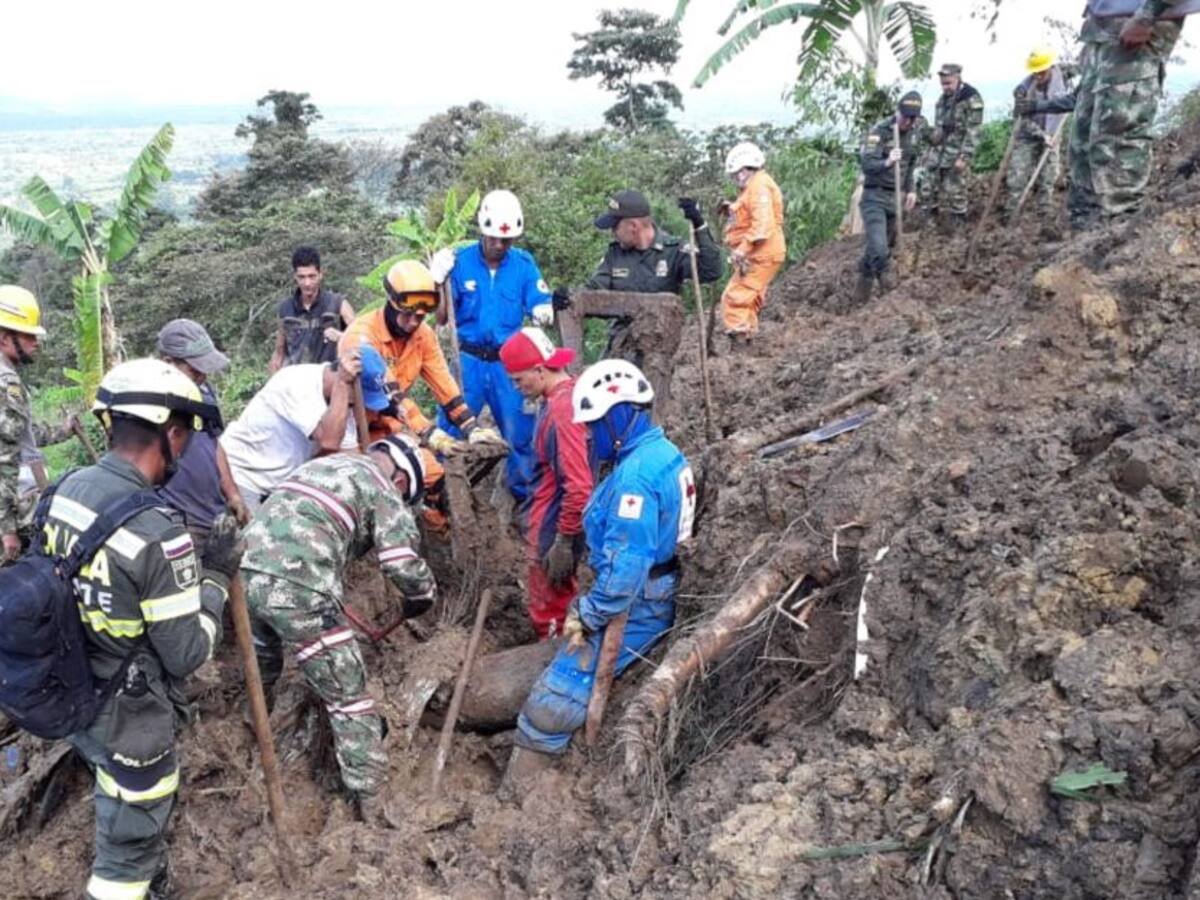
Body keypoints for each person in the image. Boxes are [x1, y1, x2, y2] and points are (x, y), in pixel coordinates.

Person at [44, 358, 240, 900]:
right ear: (172, 435)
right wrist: (217, 577)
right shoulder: (158, 533)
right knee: (126, 850)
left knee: (111, 783)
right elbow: (187, 653)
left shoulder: (66, 491)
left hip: (74, 686)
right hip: (129, 714)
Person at [506, 359, 696, 783]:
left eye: (594, 425)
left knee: (551, 701)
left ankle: (521, 794)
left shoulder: (635, 481)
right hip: (650, 587)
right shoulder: (659, 452)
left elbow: (625, 572)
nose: (589, 435)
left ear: (618, 415)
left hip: (640, 600)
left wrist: (587, 614)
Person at [241, 434, 435, 824]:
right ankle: (372, 802)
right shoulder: (383, 489)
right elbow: (399, 561)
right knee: (349, 696)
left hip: (243, 573)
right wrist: (423, 593)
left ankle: (250, 728)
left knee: (261, 662)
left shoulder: (322, 465)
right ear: (401, 482)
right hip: (300, 586)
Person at [339, 260, 504, 524]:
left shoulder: (422, 334)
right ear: (391, 302)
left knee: (441, 485)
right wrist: (428, 433)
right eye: (408, 314)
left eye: (421, 316)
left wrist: (471, 427)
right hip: (353, 433)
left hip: (393, 428)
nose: (414, 322)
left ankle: (442, 546)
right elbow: (391, 397)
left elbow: (443, 383)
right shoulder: (362, 337)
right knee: (378, 495)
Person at [1017, 1, 1194, 230]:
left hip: (1136, 29)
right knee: (1083, 136)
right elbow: (1072, 100)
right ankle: (1083, 233)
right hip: (1102, 32)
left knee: (1117, 134)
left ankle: (1118, 229)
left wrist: (1146, 15)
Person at [427, 190, 553, 504]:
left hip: (508, 366)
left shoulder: (524, 265)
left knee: (520, 433)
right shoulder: (460, 262)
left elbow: (539, 301)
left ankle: (522, 502)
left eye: (506, 240)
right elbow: (442, 317)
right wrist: (437, 282)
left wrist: (543, 309)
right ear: (483, 231)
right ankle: (440, 498)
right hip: (467, 360)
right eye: (494, 238)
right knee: (452, 427)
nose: (499, 245)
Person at [498, 328, 591, 639]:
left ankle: (551, 666)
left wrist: (563, 541)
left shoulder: (563, 411)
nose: (516, 387)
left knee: (550, 609)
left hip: (552, 525)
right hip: (557, 520)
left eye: (518, 379)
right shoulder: (570, 395)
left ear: (539, 370)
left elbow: (578, 485)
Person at [221, 347, 387, 515]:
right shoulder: (297, 382)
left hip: (278, 489)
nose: (361, 407)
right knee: (254, 537)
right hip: (244, 478)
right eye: (361, 399)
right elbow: (329, 442)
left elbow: (350, 456)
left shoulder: (343, 405)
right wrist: (343, 384)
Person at [581, 190, 722, 362]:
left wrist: (700, 225)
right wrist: (571, 297)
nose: (612, 232)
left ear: (633, 226)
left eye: (615, 227)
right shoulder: (615, 254)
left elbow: (711, 271)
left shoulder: (673, 251)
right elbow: (594, 291)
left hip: (658, 350)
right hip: (620, 347)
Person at [155, 319, 248, 547]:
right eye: (195, 371)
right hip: (178, 520)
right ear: (168, 363)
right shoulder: (149, 404)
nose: (203, 377)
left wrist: (232, 493)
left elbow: (214, 443)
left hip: (214, 512)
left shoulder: (204, 393)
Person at [0, 284, 76, 560]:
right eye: (29, 335)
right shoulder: (5, 383)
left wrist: (62, 430)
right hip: (14, 511)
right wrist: (6, 528)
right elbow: (4, 457)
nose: (36, 342)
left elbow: (20, 434)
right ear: (5, 338)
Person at [856, 93, 929, 302]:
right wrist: (887, 162)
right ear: (897, 112)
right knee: (879, 248)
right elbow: (867, 165)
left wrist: (912, 190)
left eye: (912, 118)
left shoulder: (914, 133)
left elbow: (911, 164)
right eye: (905, 117)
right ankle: (890, 293)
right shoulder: (879, 132)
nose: (908, 122)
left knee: (882, 249)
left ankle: (862, 292)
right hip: (874, 196)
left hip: (896, 197)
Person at [719, 142, 787, 340]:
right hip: (760, 254)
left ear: (743, 170)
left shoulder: (759, 187)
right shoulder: (755, 187)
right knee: (748, 297)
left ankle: (740, 342)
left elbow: (762, 225)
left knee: (735, 298)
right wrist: (731, 208)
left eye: (735, 175)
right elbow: (750, 214)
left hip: (761, 255)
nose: (734, 179)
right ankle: (748, 337)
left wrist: (742, 249)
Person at [1006, 48, 1072, 219]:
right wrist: (1042, 135)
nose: (1038, 76)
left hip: (1053, 134)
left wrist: (1050, 137)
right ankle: (1012, 212)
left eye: (1042, 72)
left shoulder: (1061, 76)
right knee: (1017, 175)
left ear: (1050, 68)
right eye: (1035, 72)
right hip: (1028, 136)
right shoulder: (1022, 91)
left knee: (1049, 175)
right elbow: (1022, 120)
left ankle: (1044, 212)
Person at [268, 246, 355, 372]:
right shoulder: (285, 309)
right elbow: (279, 352)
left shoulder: (338, 303)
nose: (307, 283)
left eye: (312, 276)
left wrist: (341, 337)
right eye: (302, 277)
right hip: (296, 381)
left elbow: (360, 339)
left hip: (330, 381)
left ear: (320, 275)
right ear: (295, 277)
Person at [920, 63, 985, 230]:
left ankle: (959, 226)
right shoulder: (943, 100)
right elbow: (939, 128)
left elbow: (974, 131)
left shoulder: (970, 98)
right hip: (939, 151)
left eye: (948, 83)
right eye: (943, 84)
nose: (945, 87)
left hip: (957, 152)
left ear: (957, 78)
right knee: (927, 185)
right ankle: (930, 223)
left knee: (955, 191)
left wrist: (964, 156)